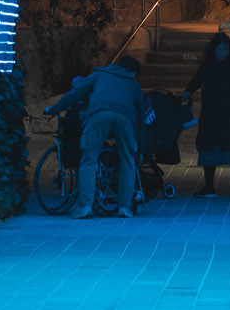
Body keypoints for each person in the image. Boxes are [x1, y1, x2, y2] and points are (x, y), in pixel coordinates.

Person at [43, 54, 150, 218]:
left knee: (89, 159)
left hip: (99, 114)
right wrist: (140, 151)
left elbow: (75, 93)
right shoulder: (134, 85)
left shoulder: (100, 74)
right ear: (133, 72)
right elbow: (141, 121)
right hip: (125, 119)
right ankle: (124, 208)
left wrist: (55, 109)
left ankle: (85, 206)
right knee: (127, 161)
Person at [186, 35, 230, 196]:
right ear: (214, 50)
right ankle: (209, 185)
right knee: (209, 149)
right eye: (221, 49)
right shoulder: (208, 66)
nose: (224, 52)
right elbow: (196, 80)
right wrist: (187, 92)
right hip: (211, 114)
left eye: (226, 49)